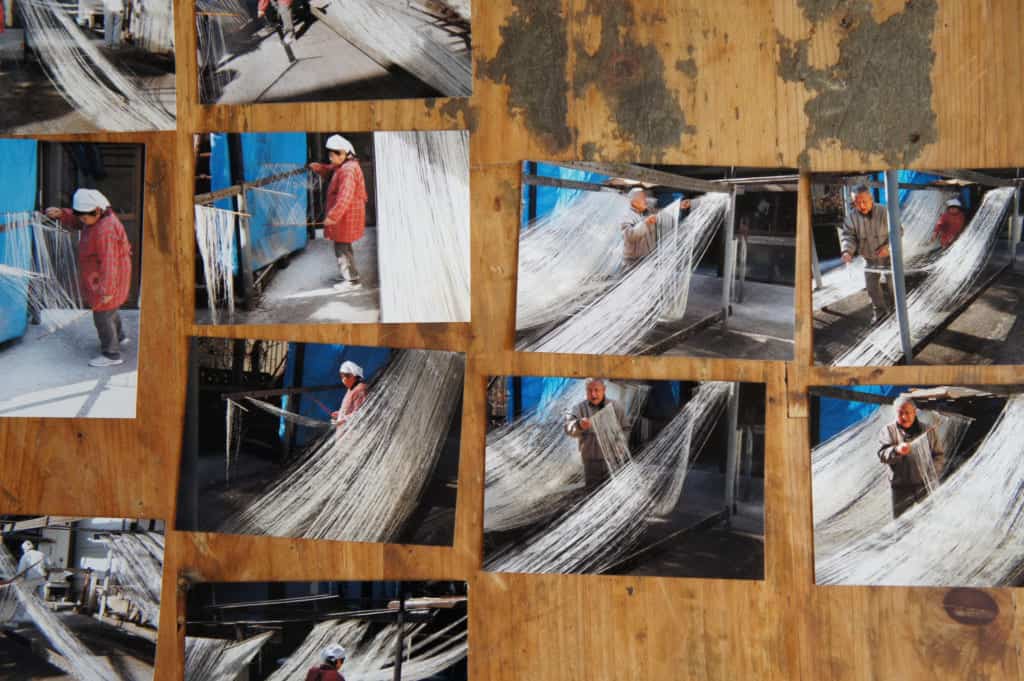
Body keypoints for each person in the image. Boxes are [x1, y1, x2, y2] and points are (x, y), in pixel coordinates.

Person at [46, 189, 133, 368]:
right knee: (110, 311)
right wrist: (62, 214)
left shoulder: (105, 230)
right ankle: (120, 337)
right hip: (105, 277)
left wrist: (106, 290)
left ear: (97, 211)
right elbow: (79, 220)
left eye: (85, 218)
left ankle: (111, 353)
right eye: (81, 218)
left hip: (108, 278)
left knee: (102, 315)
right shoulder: (96, 218)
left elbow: (110, 263)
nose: (83, 221)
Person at [309, 135, 368, 292]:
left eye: (332, 155)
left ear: (343, 154)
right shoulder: (346, 165)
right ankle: (349, 274)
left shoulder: (348, 171)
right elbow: (332, 169)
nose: (330, 159)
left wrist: (332, 217)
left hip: (346, 216)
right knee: (344, 246)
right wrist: (320, 168)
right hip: (347, 215)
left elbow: (345, 197)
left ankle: (352, 280)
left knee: (341, 248)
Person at [839, 185, 902, 323]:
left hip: (888, 256)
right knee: (871, 286)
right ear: (853, 202)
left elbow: (898, 231)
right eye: (857, 202)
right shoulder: (851, 218)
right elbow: (848, 236)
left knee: (893, 283)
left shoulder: (885, 211)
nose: (861, 205)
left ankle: (898, 310)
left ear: (871, 199)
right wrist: (847, 251)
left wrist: (888, 247)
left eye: (864, 201)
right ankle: (880, 312)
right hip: (869, 257)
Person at [877, 396, 944, 519]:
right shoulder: (888, 431)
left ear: (915, 412)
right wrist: (896, 450)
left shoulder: (928, 430)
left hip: (924, 486)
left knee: (927, 521)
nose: (904, 417)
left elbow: (938, 455)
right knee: (901, 524)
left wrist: (930, 473)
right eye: (900, 413)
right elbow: (882, 455)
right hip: (900, 488)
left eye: (907, 413)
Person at [564, 378, 628, 490]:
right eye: (589, 390)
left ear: (604, 390)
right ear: (586, 391)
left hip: (613, 459)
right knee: (592, 493)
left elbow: (626, 428)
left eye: (596, 390)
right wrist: (579, 425)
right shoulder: (579, 408)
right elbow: (568, 428)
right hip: (591, 461)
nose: (593, 394)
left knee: (614, 492)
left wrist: (620, 444)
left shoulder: (616, 407)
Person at [330, 360, 368, 427]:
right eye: (341, 377)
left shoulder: (359, 390)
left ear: (354, 376)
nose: (343, 380)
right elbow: (349, 408)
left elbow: (360, 412)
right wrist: (339, 414)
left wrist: (343, 419)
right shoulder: (350, 389)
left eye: (346, 376)